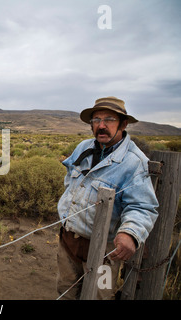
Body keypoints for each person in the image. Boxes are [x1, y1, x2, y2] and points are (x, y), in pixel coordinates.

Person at [56, 96, 159, 299]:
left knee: (99, 295)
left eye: (109, 119)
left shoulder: (134, 162)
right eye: (96, 120)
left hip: (104, 251)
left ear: (123, 123)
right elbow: (70, 178)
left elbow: (142, 206)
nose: (101, 126)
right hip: (68, 241)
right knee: (65, 291)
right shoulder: (83, 147)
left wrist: (130, 232)